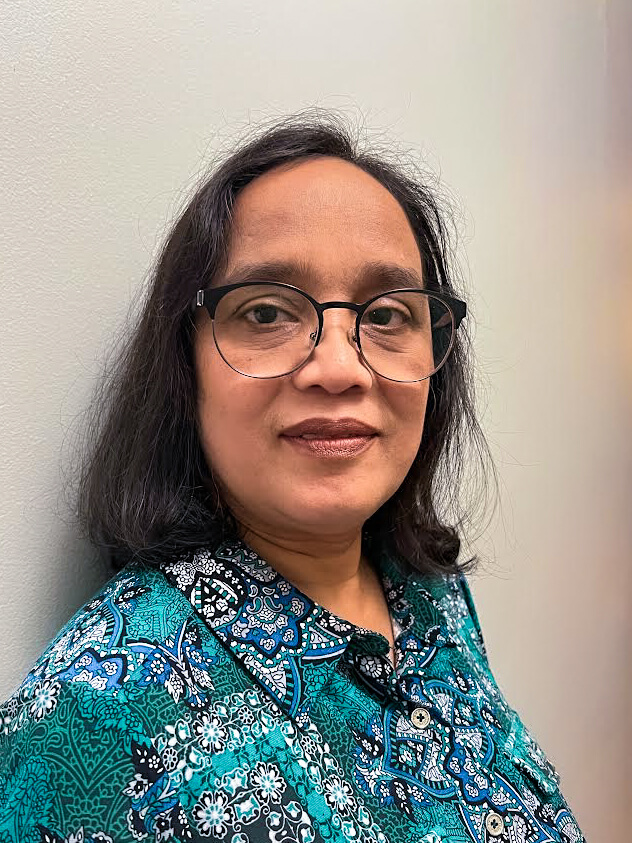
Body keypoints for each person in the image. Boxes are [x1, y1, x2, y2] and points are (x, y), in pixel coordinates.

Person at [0, 115, 584, 843]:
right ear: (185, 366)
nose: (339, 367)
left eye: (390, 313)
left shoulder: (428, 592)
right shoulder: (95, 711)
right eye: (268, 311)